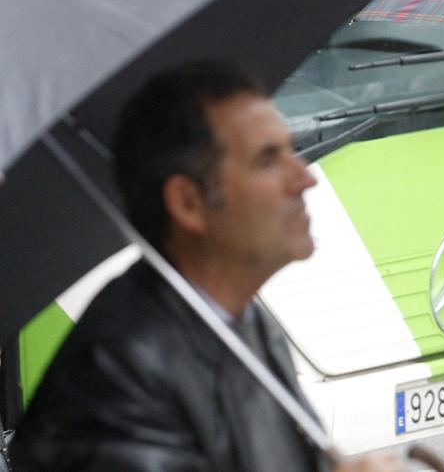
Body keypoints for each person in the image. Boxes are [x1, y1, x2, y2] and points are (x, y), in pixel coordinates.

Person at [12, 61, 404, 472]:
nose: (305, 179)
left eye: (292, 150)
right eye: (269, 160)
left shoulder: (247, 323)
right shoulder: (115, 378)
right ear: (188, 203)